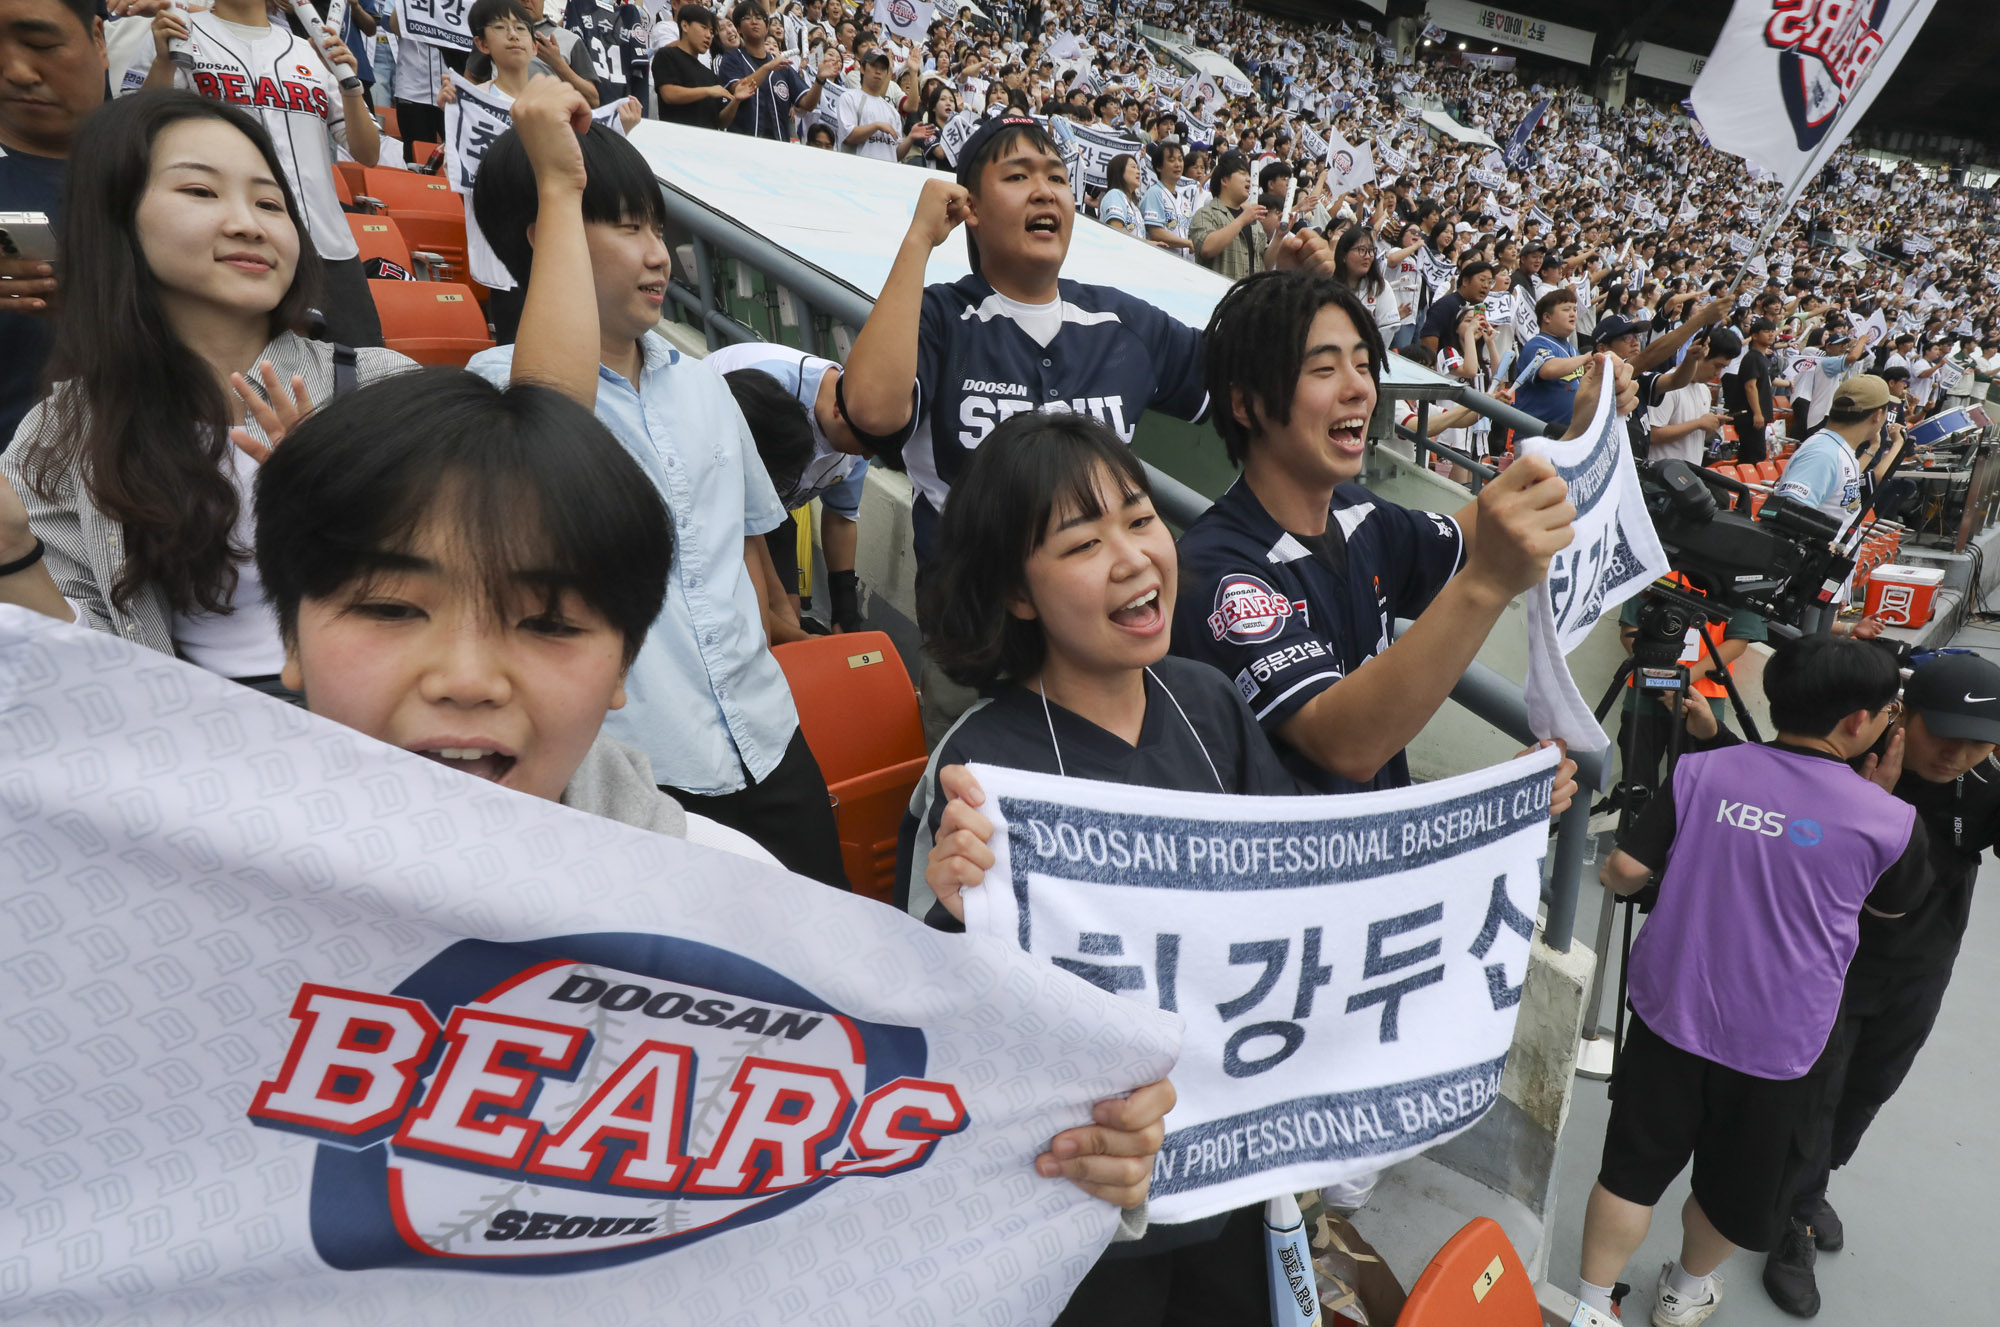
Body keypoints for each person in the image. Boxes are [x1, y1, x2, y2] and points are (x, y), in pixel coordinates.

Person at [908, 409, 1292, 1326]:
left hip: (1223, 1176)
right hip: (1070, 1209)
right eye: (1083, 542)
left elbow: (1293, 893)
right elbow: (925, 1025)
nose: (1131, 557)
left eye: (1139, 516)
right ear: (1017, 594)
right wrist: (948, 908)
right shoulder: (979, 771)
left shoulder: (1205, 698)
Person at [470, 76, 847, 888]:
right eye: (626, 225)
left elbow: (749, 557)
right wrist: (560, 177)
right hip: (636, 779)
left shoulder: (705, 385)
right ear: (551, 233)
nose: (658, 255)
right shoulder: (494, 392)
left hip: (771, 745)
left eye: (659, 227)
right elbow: (547, 433)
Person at [0, 90, 413, 683]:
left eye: (271, 203)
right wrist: (12, 553)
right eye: (200, 192)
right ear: (117, 217)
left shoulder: (383, 387)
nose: (248, 224)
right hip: (183, 741)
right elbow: (76, 666)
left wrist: (340, 516)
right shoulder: (64, 428)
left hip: (377, 731)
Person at [1581, 633, 1929, 1324]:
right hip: (1778, 1045)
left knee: (1630, 1172)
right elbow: (1892, 904)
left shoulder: (1702, 773)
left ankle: (1590, 1307)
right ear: (1858, 721)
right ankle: (1683, 1291)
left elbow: (1624, 871)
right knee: (1730, 1186)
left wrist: (1605, 871)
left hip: (1670, 1013)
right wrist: (1873, 800)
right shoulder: (1889, 822)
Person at [1171, 273, 1590, 805]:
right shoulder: (1216, 573)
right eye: (1324, 368)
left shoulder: (1356, 510)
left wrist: (1579, 434)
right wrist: (1489, 584)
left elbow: (1472, 533)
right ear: (1245, 404)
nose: (1359, 388)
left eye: (1364, 365)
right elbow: (1345, 742)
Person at [1761, 652, 2000, 1315]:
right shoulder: (1846, 762)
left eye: (1978, 741)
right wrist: (1872, 800)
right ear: (1904, 716)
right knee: (1817, 1088)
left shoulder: (1985, 782)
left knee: (1870, 1087)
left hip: (1921, 966)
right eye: (1942, 734)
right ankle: (1794, 1216)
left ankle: (1808, 1186)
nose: (1956, 754)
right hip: (1832, 961)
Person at [133, 0, 385, 346]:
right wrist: (163, 62)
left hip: (327, 246)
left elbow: (368, 153)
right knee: (250, 378)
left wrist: (350, 87)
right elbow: (135, 134)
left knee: (359, 377)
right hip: (232, 243)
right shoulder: (178, 34)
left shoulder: (306, 48)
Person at [705, 338, 870, 637]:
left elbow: (762, 524)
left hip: (759, 510)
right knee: (756, 629)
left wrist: (843, 609)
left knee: (789, 613)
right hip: (716, 496)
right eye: (864, 446)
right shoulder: (760, 391)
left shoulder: (867, 420)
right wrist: (805, 643)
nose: (867, 456)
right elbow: (754, 616)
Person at [0, 0, 105, 451]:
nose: (18, 71)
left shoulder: (172, 168)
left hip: (167, 486)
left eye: (41, 44)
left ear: (99, 39)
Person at [715, 0, 832, 141]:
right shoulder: (732, 57)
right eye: (747, 18)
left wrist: (820, 79)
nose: (754, 21)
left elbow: (807, 103)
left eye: (759, 18)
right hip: (744, 143)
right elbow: (738, 88)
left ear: (766, 27)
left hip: (779, 147)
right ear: (739, 28)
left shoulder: (782, 65)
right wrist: (767, 67)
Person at [464, 0, 599, 104]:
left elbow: (593, 100)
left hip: (548, 126)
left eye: (521, 29)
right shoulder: (494, 35)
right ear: (482, 45)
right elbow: (472, 78)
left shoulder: (571, 40)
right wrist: (464, 101)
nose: (526, 0)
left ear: (533, 46)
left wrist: (558, 64)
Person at [1645, 327, 1741, 465]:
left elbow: (1692, 436)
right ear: (1700, 355)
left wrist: (1709, 426)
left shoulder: (1704, 390)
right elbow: (1653, 435)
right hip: (1661, 477)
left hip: (1688, 476)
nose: (1717, 373)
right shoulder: (1666, 386)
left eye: (1723, 368)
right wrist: (1698, 423)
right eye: (1717, 366)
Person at [1509, 287, 1593, 434]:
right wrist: (1587, 356)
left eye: (1574, 309)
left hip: (1567, 436)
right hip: (1537, 435)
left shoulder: (1573, 350)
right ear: (1547, 317)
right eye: (1566, 309)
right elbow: (1549, 370)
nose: (1573, 313)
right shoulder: (1537, 344)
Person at [653, 4, 747, 129]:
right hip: (676, 140)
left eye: (712, 32)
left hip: (706, 143)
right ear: (685, 26)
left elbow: (721, 121)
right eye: (704, 28)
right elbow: (669, 94)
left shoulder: (710, 76)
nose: (709, 35)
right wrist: (707, 91)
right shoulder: (667, 55)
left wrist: (736, 100)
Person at [1188, 150, 1266, 279]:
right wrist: (1241, 221)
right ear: (1224, 181)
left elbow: (1265, 261)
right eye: (1242, 173)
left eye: (1249, 174)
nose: (1249, 179)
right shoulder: (1206, 214)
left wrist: (1279, 236)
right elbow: (1207, 248)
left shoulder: (1252, 219)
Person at [836, 46, 913, 162]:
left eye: (882, 68)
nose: (878, 71)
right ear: (862, 68)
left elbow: (895, 153)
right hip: (858, 173)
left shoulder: (892, 111)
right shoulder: (849, 98)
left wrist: (912, 137)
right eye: (873, 66)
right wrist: (876, 126)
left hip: (886, 175)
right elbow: (848, 136)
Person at [1724, 316, 1778, 464]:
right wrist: (1758, 413)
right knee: (1754, 457)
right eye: (1766, 331)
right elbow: (1750, 386)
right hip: (1750, 417)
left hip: (1755, 417)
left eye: (1772, 331)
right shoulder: (1752, 357)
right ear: (1754, 335)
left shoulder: (1761, 358)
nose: (1771, 334)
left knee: (1753, 455)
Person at [1097, 151, 1140, 236]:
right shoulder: (1114, 194)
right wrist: (1147, 243)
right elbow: (1116, 229)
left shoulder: (1134, 206)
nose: (1138, 171)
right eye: (1133, 167)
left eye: (1138, 168)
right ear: (1120, 171)